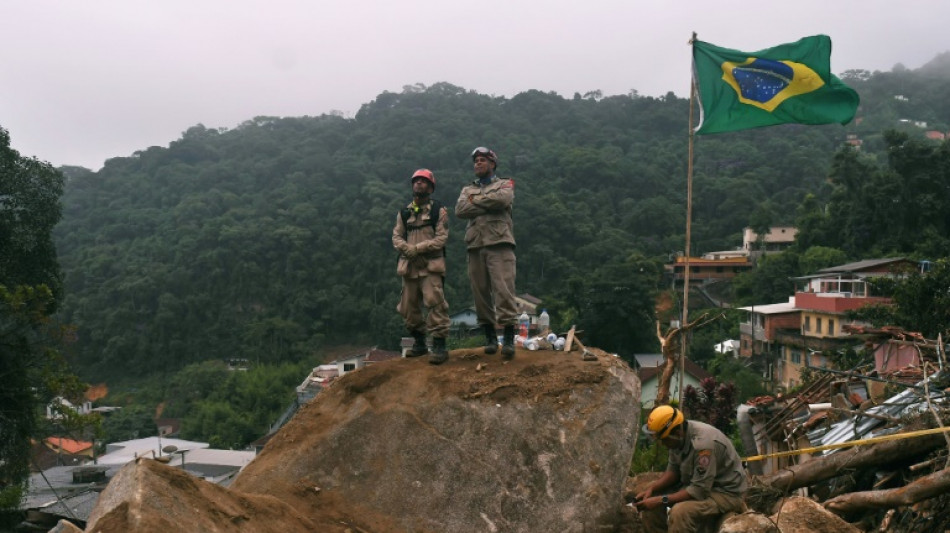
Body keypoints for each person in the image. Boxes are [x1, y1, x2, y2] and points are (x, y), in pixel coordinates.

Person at [635, 405, 748, 532]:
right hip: (699, 484)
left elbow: (699, 490)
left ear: (677, 433)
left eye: (663, 440)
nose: (662, 444)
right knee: (651, 504)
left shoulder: (703, 445)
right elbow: (673, 471)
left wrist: (662, 500)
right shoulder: (677, 438)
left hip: (725, 492)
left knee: (680, 513)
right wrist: (652, 489)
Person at [454, 147, 518, 359]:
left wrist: (476, 201)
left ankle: (508, 338)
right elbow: (460, 210)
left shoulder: (505, 184)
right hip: (475, 246)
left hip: (499, 242)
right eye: (476, 161)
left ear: (492, 164)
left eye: (482, 160)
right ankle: (490, 337)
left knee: (503, 289)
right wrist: (486, 203)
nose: (478, 163)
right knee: (480, 293)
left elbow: (503, 200)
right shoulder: (466, 190)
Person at [392, 168, 450, 365]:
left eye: (424, 181)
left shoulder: (437, 211)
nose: (419, 184)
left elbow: (441, 238)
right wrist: (408, 250)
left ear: (431, 188)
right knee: (408, 306)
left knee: (435, 303)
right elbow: (396, 236)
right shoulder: (404, 212)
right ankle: (419, 343)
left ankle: (440, 345)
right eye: (416, 181)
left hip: (430, 265)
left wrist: (417, 249)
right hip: (409, 267)